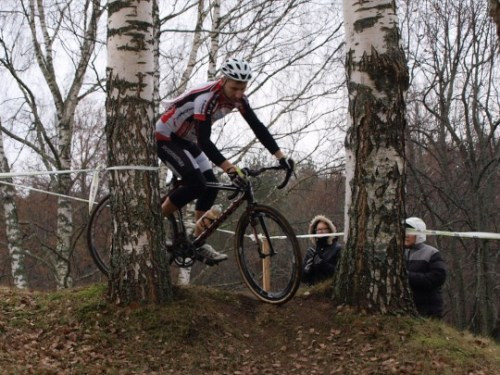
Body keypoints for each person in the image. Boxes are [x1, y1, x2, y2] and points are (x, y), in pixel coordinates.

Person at [156, 58, 294, 262]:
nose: (239, 93)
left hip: (186, 140)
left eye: (243, 88)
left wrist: (281, 157)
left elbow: (258, 127)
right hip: (166, 136)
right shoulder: (206, 98)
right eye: (235, 88)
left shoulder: (239, 99)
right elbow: (204, 141)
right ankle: (154, 224)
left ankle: (198, 241)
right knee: (196, 184)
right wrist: (230, 168)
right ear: (223, 81)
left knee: (211, 186)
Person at [404, 217, 447, 319]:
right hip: (407, 310)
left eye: (410, 231)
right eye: (404, 231)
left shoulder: (431, 253)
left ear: (419, 234)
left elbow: (438, 278)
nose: (406, 235)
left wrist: (408, 276)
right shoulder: (399, 253)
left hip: (429, 310)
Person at [302, 215, 341, 285]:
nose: (321, 232)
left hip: (329, 290)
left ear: (330, 230)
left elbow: (339, 273)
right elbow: (303, 279)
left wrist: (322, 264)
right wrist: (306, 270)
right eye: (318, 230)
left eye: (324, 229)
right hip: (312, 291)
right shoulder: (312, 251)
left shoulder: (337, 248)